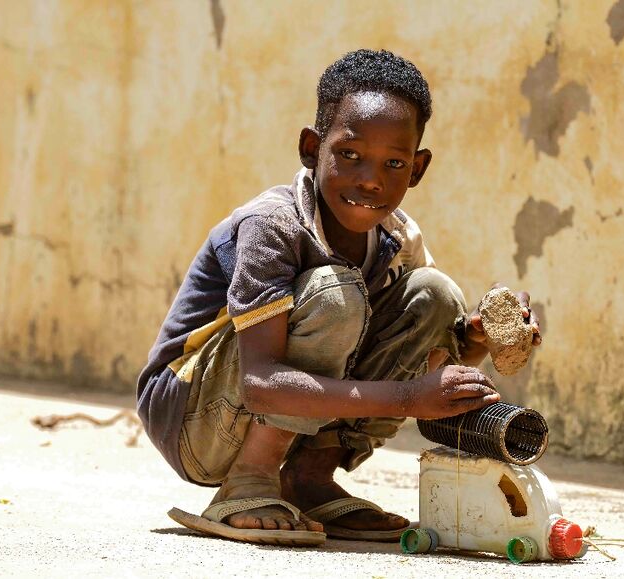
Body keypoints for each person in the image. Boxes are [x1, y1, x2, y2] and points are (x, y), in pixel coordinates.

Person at [137, 49, 541, 547]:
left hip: (260, 403)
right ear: (311, 147)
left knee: (436, 296)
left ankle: (308, 477)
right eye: (350, 155)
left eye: (393, 163)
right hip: (192, 417)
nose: (370, 178)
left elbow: (428, 358)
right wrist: (410, 399)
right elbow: (261, 382)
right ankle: (250, 480)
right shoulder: (273, 226)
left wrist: (478, 338)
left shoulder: (397, 239)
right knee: (337, 295)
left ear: (417, 169)